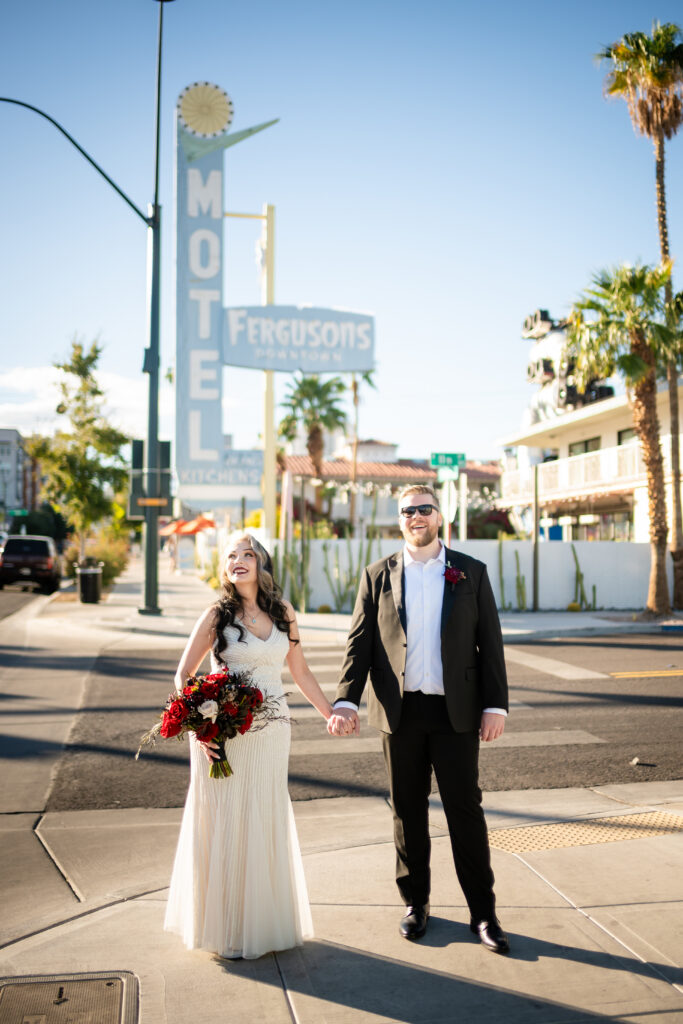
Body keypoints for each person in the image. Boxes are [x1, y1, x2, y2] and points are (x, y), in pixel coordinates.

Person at [328, 485, 510, 954]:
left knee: (464, 812)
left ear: (439, 514)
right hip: (400, 711)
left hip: (457, 713)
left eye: (424, 509)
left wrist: (496, 706)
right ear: (399, 519)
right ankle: (417, 904)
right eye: (408, 511)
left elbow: (489, 643)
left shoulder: (470, 571)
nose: (416, 517)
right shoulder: (377, 576)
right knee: (407, 812)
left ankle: (483, 914)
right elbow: (360, 644)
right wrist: (345, 700)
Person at [164, 531, 334, 960]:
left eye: (246, 554)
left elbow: (300, 670)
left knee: (263, 817)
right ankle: (225, 928)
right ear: (225, 568)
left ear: (261, 563)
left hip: (273, 734)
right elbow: (184, 674)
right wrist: (204, 730)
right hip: (223, 738)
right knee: (226, 821)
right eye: (230, 555)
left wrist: (330, 711)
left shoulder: (283, 613)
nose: (237, 560)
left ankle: (260, 923)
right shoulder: (215, 616)